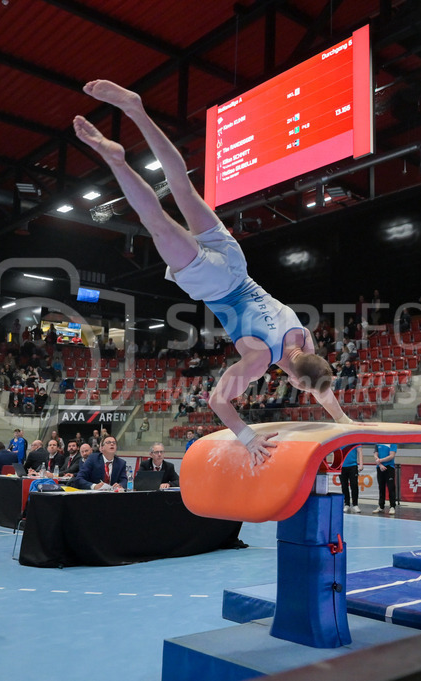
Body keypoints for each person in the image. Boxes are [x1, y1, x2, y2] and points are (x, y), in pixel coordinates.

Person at [75, 79, 353, 466]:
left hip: (237, 263)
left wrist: (343, 422)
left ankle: (136, 109)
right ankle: (116, 160)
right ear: (293, 381)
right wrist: (247, 436)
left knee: (183, 188)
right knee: (156, 220)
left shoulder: (303, 334)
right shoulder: (259, 360)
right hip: (217, 285)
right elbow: (217, 400)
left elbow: (319, 381)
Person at [372, 443, 398, 515]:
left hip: (389, 468)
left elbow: (392, 456)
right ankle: (381, 506)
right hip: (380, 467)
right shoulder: (377, 443)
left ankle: (392, 506)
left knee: (391, 488)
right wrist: (380, 464)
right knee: (381, 487)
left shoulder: (392, 443)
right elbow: (375, 455)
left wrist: (381, 460)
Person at [340, 445, 362, 513]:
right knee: (344, 486)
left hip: (353, 466)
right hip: (342, 466)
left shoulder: (356, 440)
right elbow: (336, 452)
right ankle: (347, 504)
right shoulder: (341, 440)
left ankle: (355, 504)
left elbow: (360, 451)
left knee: (354, 485)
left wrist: (361, 464)